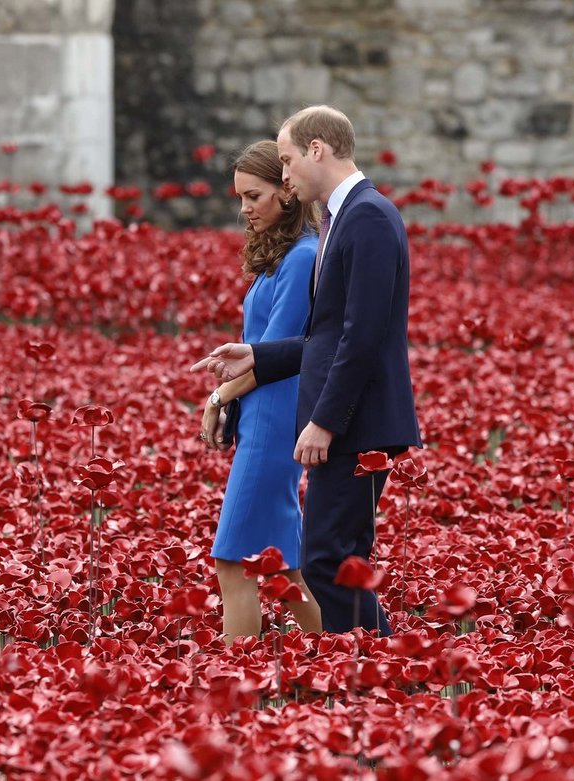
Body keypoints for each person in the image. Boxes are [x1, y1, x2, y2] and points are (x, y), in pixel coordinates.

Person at [192, 106, 420, 634]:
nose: (286, 173)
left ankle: (376, 673)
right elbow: (327, 336)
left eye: (289, 159)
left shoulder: (366, 215)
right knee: (329, 562)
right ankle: (375, 672)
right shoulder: (344, 216)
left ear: (317, 149)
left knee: (325, 562)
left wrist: (324, 420)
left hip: (354, 423)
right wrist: (258, 356)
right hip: (339, 420)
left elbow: (361, 337)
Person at [200, 139, 322, 643]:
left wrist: (218, 397)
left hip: (274, 420)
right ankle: (353, 661)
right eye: (240, 198)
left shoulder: (301, 257)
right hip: (266, 416)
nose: (244, 209)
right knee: (282, 568)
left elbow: (272, 355)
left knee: (233, 563)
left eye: (254, 196)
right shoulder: (289, 254)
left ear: (287, 193)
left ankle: (238, 687)